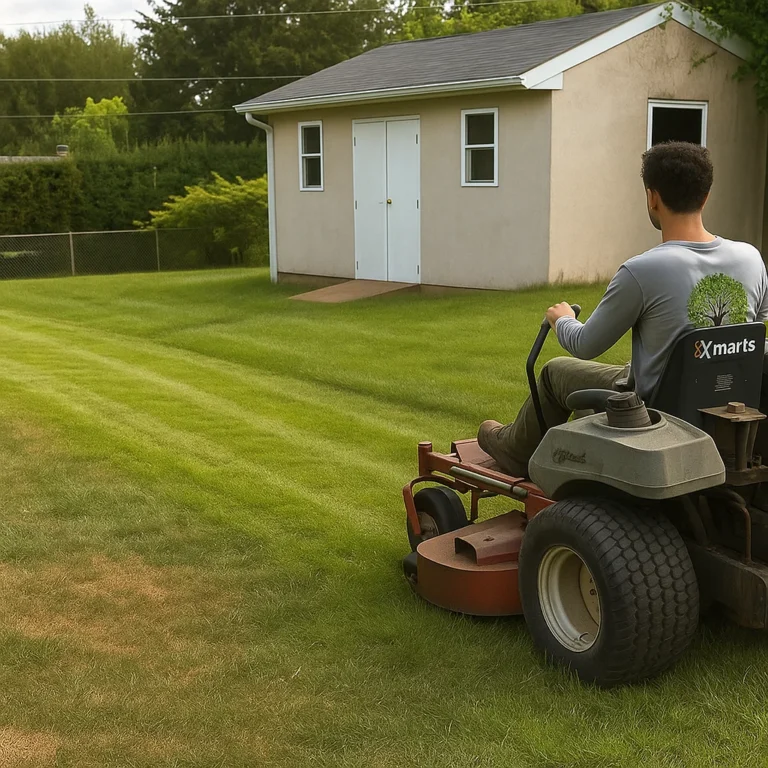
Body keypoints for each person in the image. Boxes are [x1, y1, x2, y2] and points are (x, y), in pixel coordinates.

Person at [478, 141, 768, 477]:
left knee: (555, 371)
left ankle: (514, 451)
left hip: (654, 414)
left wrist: (563, 319)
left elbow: (585, 345)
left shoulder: (642, 271)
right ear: (705, 197)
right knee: (624, 371)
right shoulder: (750, 259)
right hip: (725, 406)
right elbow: (756, 335)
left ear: (652, 197)